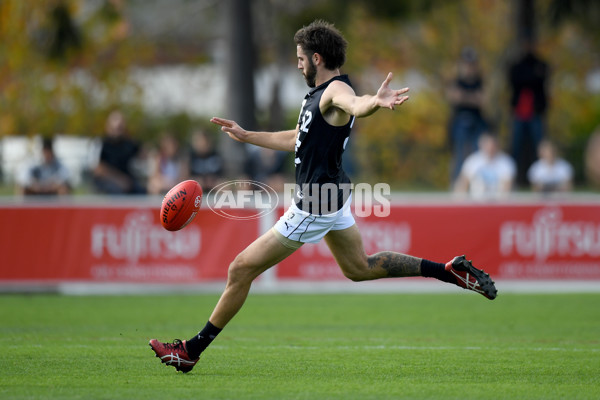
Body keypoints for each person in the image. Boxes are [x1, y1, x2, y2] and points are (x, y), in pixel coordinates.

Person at [150, 20, 498, 373]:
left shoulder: (334, 92)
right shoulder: (319, 96)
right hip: (332, 196)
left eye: (301, 59)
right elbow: (296, 137)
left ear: (317, 58)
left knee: (239, 269)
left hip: (314, 205)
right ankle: (448, 271)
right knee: (359, 268)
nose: (298, 64)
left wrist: (374, 102)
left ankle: (190, 351)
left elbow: (356, 104)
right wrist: (247, 135)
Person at [508, 40, 549, 187]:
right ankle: (514, 181)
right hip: (519, 113)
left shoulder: (541, 64)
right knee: (516, 148)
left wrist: (529, 77)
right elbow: (515, 80)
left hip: (535, 112)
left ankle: (541, 181)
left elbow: (541, 79)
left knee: (540, 149)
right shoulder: (517, 66)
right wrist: (533, 76)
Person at [447, 47, 487, 183]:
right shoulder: (457, 80)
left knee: (479, 154)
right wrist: (473, 98)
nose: (469, 67)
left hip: (477, 121)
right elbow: (454, 98)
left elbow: (482, 101)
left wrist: (464, 97)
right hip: (460, 121)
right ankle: (456, 185)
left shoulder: (480, 81)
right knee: (459, 154)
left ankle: (478, 183)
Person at [92, 110, 145, 194]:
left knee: (142, 192)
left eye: (120, 127)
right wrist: (119, 179)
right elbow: (98, 170)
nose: (118, 131)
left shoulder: (129, 144)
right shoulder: (101, 144)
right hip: (108, 181)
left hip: (128, 181)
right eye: (115, 128)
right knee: (117, 192)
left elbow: (144, 156)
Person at [454, 133, 516, 199]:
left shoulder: (506, 162)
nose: (490, 148)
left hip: (499, 203)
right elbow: (462, 183)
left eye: (492, 145)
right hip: (476, 203)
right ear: (481, 145)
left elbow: (507, 187)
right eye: (487, 145)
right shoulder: (473, 161)